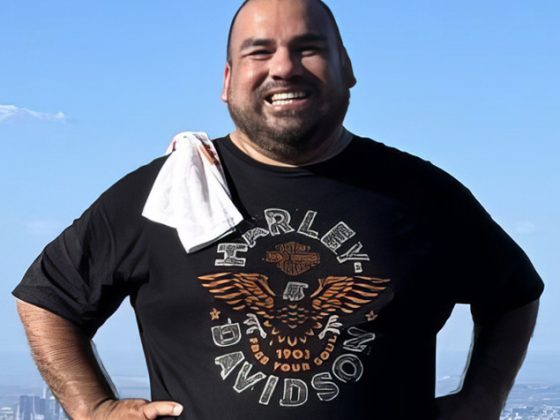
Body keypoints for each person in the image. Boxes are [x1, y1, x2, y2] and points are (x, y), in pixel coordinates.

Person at [13, 0, 543, 419]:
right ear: (227, 82)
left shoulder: (422, 194)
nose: (284, 67)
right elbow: (49, 297)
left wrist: (482, 400)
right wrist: (92, 407)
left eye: (308, 48)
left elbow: (514, 294)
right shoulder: (163, 194)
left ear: (347, 70)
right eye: (259, 52)